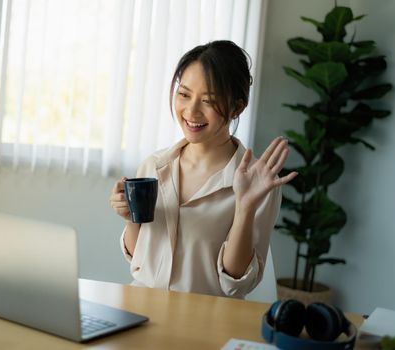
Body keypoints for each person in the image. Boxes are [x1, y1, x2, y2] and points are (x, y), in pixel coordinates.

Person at [109, 40, 298, 299]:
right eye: (184, 94)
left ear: (238, 106)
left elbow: (236, 283)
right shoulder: (155, 166)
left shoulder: (257, 182)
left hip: (205, 320)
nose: (191, 111)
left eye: (208, 100)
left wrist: (245, 207)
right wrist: (131, 219)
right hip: (141, 306)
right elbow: (138, 261)